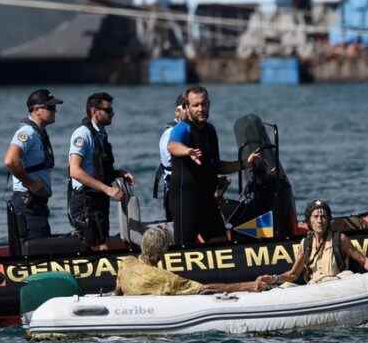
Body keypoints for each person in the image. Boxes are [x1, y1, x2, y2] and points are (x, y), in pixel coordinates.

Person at [167, 85, 260, 245]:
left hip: (207, 198)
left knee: (220, 240)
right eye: (195, 105)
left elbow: (217, 166)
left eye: (204, 104)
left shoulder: (210, 131)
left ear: (209, 104)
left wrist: (245, 163)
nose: (201, 109)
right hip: (185, 199)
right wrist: (188, 151)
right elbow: (172, 146)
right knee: (185, 245)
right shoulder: (182, 128)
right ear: (187, 107)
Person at [115, 227, 272, 296]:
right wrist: (249, 285)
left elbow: (117, 291)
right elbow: (205, 289)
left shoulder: (126, 263)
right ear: (163, 252)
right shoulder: (167, 279)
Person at [68, 92, 134, 251]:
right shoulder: (82, 134)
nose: (112, 114)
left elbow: (99, 166)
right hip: (86, 200)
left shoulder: (101, 134)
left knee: (103, 242)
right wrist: (108, 189)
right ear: (94, 111)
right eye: (108, 110)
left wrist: (118, 173)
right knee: (93, 246)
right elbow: (75, 171)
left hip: (99, 198)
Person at [272, 199, 368, 285]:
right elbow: (293, 275)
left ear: (328, 220)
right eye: (316, 217)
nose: (319, 221)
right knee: (286, 285)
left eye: (323, 217)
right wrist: (274, 279)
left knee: (347, 274)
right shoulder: (305, 244)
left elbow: (364, 261)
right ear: (309, 221)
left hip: (337, 284)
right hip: (316, 287)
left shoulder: (340, 239)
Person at [4, 88, 61, 241]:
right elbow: (10, 160)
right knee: (37, 251)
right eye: (50, 107)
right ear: (36, 110)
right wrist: (31, 183)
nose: (55, 111)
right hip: (28, 203)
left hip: (36, 204)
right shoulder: (27, 132)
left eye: (55, 107)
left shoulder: (38, 133)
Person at [153, 93, 185, 221]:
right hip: (176, 191)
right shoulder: (170, 133)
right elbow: (172, 164)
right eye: (186, 107)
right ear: (177, 111)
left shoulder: (188, 130)